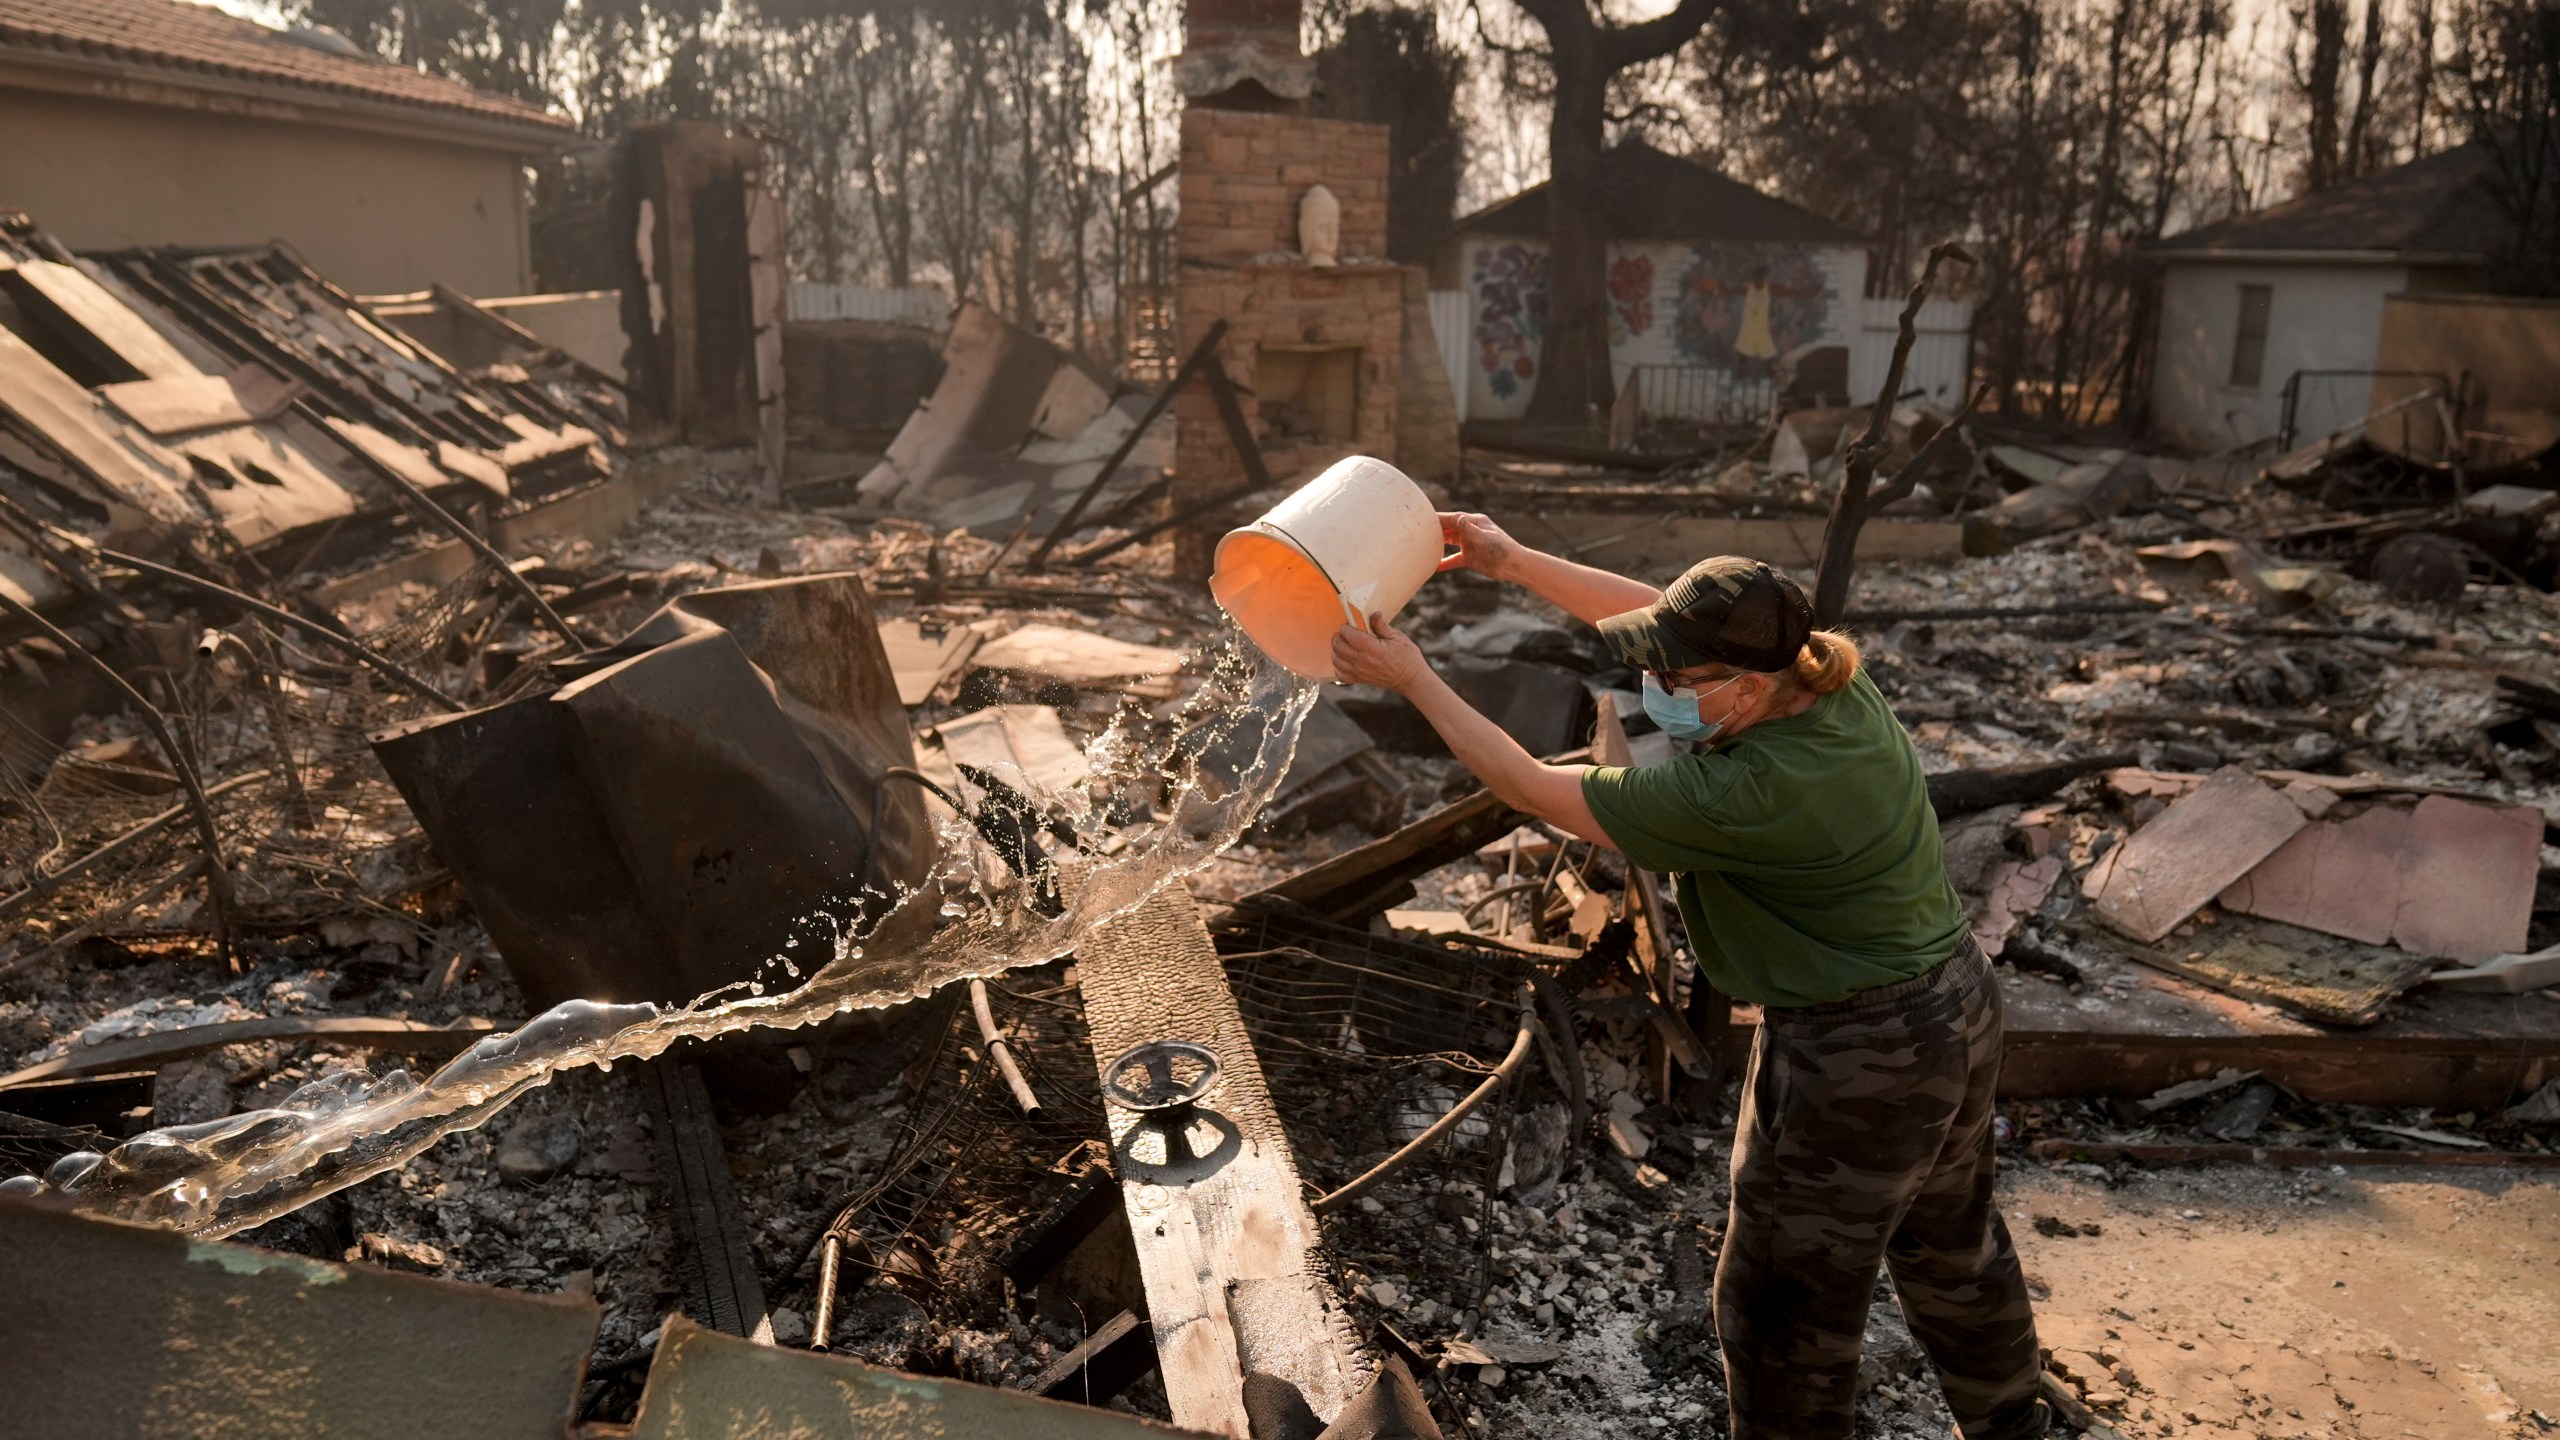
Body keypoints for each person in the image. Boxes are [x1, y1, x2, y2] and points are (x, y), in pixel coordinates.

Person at [1329, 513, 2048, 1440]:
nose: (1655, 689)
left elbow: (1527, 786)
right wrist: (1516, 561)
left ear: (1747, 690)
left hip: (1857, 1056)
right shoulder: (1824, 674)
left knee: (1781, 1307)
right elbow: (1648, 613)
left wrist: (1413, 677)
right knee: (1952, 1246)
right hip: (1954, 1005)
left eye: (1675, 679)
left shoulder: (1745, 792)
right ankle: (2011, 1429)